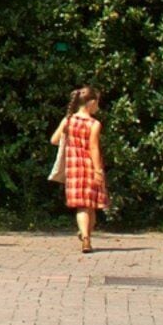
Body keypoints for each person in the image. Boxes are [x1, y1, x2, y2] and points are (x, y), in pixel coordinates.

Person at [50, 85, 107, 255]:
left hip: (73, 167)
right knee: (91, 206)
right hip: (89, 166)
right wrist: (98, 171)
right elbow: (94, 148)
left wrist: (68, 139)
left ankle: (85, 235)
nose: (98, 106)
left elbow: (54, 140)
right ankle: (87, 236)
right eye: (97, 103)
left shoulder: (67, 120)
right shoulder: (94, 124)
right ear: (91, 103)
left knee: (81, 206)